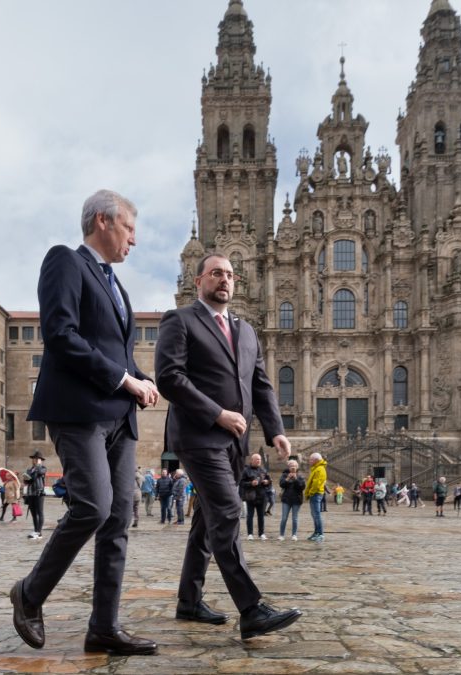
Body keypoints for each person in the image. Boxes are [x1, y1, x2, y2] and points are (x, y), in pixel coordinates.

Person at [10, 189, 160, 655]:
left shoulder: (118, 286)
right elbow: (61, 334)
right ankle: (29, 593)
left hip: (120, 419)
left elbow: (118, 352)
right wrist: (124, 379)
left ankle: (104, 628)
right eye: (129, 229)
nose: (134, 240)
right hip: (79, 413)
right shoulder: (65, 261)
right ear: (102, 221)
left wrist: (140, 377)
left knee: (118, 519)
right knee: (93, 506)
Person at [155, 252, 301, 640]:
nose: (225, 280)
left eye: (231, 275)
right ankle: (251, 609)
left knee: (206, 520)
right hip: (198, 436)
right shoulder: (181, 320)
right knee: (226, 512)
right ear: (199, 279)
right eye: (217, 273)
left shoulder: (247, 330)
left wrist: (275, 431)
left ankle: (189, 601)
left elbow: (261, 384)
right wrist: (217, 413)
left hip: (236, 442)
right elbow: (169, 377)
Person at [240, 453, 271, 539]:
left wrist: (267, 482)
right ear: (252, 460)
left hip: (262, 496)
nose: (259, 461)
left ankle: (261, 533)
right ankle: (250, 534)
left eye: (260, 459)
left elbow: (269, 481)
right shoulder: (246, 470)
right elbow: (241, 483)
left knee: (261, 516)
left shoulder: (263, 470)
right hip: (251, 496)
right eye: (257, 459)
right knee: (250, 516)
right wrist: (251, 483)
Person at [21, 451, 46, 540]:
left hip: (39, 493)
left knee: (40, 512)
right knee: (33, 513)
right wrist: (25, 479)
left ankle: (39, 532)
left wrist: (38, 465)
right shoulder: (29, 469)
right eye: (34, 459)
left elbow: (40, 473)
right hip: (30, 493)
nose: (35, 460)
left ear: (40, 460)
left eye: (37, 459)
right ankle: (36, 530)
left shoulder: (42, 468)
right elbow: (28, 481)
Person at [278, 459, 304, 540]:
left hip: (297, 500)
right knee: (284, 518)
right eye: (291, 466)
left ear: (297, 467)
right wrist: (287, 479)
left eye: (294, 466)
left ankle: (294, 535)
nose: (293, 467)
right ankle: (281, 535)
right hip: (286, 499)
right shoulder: (284, 475)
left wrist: (296, 479)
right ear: (288, 467)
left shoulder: (300, 476)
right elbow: (281, 485)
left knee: (295, 518)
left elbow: (302, 487)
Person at [304, 452, 327, 542]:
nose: (309, 461)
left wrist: (311, 492)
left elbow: (316, 484)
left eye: (311, 459)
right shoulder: (317, 468)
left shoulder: (319, 469)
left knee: (316, 514)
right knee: (314, 514)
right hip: (315, 494)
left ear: (316, 460)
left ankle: (320, 533)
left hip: (316, 493)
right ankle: (316, 532)